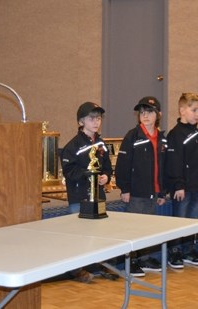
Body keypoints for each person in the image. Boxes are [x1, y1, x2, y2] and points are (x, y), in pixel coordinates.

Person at [60, 101, 112, 283]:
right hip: (79, 197)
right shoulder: (72, 146)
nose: (96, 122)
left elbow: (107, 167)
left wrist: (106, 176)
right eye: (92, 118)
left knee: (99, 234)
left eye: (98, 118)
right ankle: (76, 270)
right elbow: (69, 171)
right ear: (81, 122)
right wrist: (87, 174)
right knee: (78, 235)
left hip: (98, 197)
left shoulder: (101, 143)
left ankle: (98, 266)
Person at [115, 96, 167, 276]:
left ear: (158, 114)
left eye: (149, 112)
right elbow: (122, 164)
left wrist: (162, 192)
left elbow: (164, 167)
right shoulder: (132, 136)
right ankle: (132, 261)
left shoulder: (162, 138)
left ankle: (145, 259)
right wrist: (125, 188)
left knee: (148, 228)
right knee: (134, 227)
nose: (145, 115)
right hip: (136, 193)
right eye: (142, 112)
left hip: (153, 192)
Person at [165, 92, 198, 269]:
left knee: (193, 220)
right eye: (194, 110)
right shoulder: (175, 134)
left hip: (197, 187)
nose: (197, 114)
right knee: (180, 220)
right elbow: (174, 162)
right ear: (182, 110)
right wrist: (178, 184)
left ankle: (189, 249)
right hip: (183, 187)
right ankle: (174, 251)